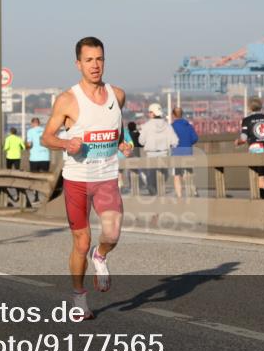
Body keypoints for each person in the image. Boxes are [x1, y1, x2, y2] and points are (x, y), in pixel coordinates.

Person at [41, 36, 131, 320]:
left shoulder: (117, 95)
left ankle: (100, 255)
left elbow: (115, 129)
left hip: (106, 177)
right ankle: (79, 299)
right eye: (89, 60)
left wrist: (122, 143)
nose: (95, 65)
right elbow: (47, 137)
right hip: (77, 180)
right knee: (81, 241)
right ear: (78, 64)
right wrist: (66, 144)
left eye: (100, 59)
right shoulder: (68, 100)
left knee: (112, 233)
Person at [236, 97, 264, 199]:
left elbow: (243, 138)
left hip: (256, 150)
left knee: (260, 179)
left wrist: (238, 142)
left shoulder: (246, 120)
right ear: (260, 106)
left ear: (249, 107)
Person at [139, 103, 179, 196]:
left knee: (151, 178)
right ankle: (158, 194)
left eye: (149, 112)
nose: (149, 114)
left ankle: (152, 190)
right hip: (164, 155)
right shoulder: (167, 126)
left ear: (153, 113)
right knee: (164, 175)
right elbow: (175, 141)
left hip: (151, 155)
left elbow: (141, 141)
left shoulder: (147, 126)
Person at [170, 107, 199, 199]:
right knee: (188, 173)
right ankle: (192, 191)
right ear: (181, 114)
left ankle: (179, 196)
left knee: (177, 175)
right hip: (188, 152)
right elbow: (195, 138)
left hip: (176, 153)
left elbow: (169, 141)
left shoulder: (172, 127)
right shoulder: (188, 126)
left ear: (173, 115)